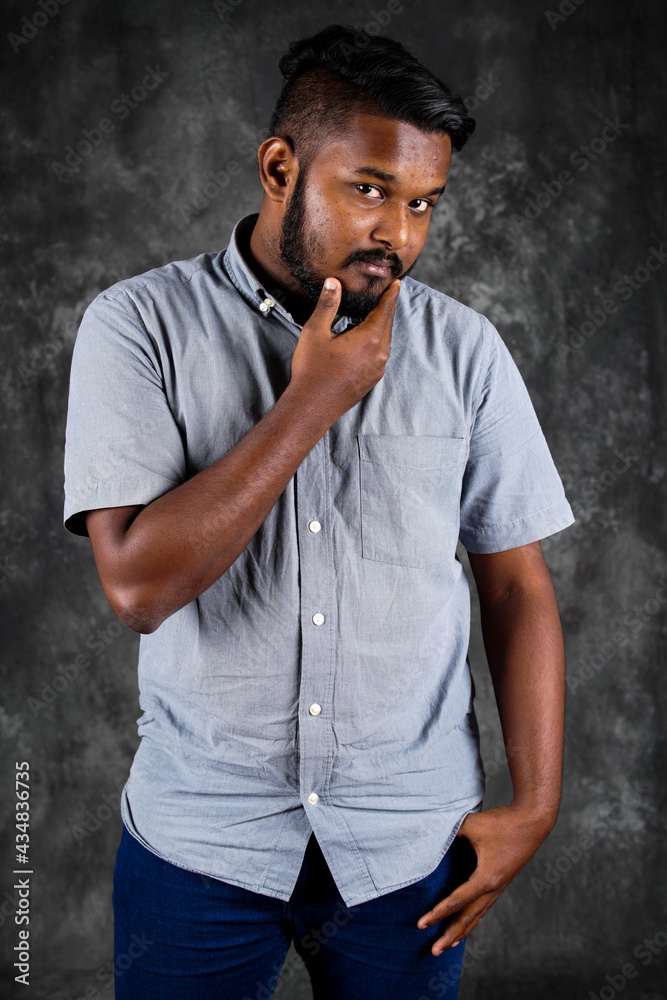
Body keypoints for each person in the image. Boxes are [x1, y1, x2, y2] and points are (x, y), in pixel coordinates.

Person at [63, 23, 575, 1000]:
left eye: (423, 203)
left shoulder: (463, 350)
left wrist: (537, 802)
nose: (401, 233)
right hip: (200, 847)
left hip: (410, 854)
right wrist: (312, 399)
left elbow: (515, 583)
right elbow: (135, 584)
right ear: (278, 165)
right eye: (369, 190)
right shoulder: (137, 327)